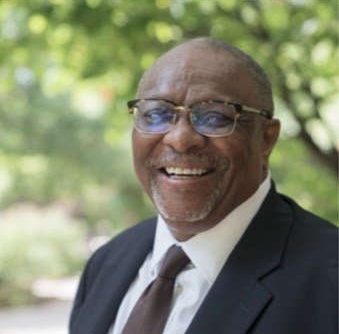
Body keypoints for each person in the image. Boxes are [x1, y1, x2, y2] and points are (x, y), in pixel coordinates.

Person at [69, 37, 338, 334]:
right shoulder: (106, 263)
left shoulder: (330, 280)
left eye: (215, 116)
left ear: (266, 139)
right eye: (156, 114)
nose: (180, 139)